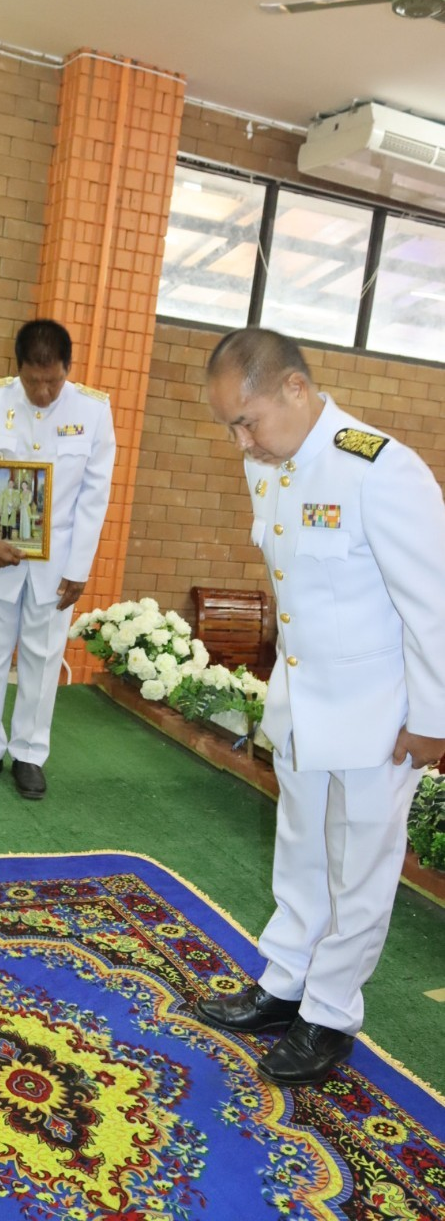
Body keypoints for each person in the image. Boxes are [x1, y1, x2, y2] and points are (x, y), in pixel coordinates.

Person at [196, 327, 445, 1086]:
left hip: (377, 713)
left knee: (358, 867)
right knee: (300, 848)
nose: (241, 441)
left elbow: (431, 602)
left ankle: (330, 1016)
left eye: (247, 421)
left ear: (296, 390)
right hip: (305, 700)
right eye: (229, 426)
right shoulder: (271, 466)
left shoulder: (381, 469)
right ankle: (283, 982)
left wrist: (432, 717)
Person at [0, 318, 116, 800]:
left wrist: (79, 569)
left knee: (43, 659)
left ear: (68, 369)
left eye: (53, 381)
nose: (42, 392)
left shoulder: (94, 412)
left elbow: (94, 498)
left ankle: (29, 755)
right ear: (17, 369)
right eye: (33, 380)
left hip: (56, 565)